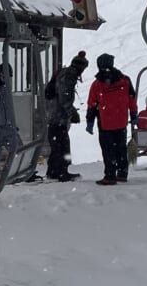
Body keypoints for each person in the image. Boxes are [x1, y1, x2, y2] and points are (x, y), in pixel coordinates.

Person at [85, 53, 137, 185]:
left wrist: (90, 122)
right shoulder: (125, 80)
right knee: (121, 148)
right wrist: (133, 115)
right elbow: (131, 98)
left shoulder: (97, 84)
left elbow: (92, 104)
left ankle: (110, 175)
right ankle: (122, 173)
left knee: (108, 150)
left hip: (105, 122)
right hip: (121, 121)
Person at [44, 50, 88, 181]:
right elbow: (64, 97)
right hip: (59, 116)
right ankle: (62, 172)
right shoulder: (69, 75)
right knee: (62, 145)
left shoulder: (63, 72)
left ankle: (53, 171)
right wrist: (71, 112)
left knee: (56, 143)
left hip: (53, 114)